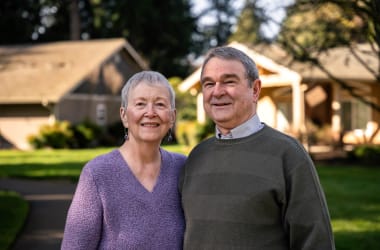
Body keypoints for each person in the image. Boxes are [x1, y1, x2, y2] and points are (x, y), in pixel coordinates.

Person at [179, 46, 335, 249]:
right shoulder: (196, 157)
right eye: (209, 83)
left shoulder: (288, 154)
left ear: (255, 90)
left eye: (229, 81)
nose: (217, 91)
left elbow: (315, 240)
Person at [61, 71, 186, 249]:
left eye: (159, 104)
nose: (150, 112)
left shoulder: (184, 168)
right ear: (124, 115)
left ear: (172, 116)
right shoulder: (97, 174)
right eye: (140, 104)